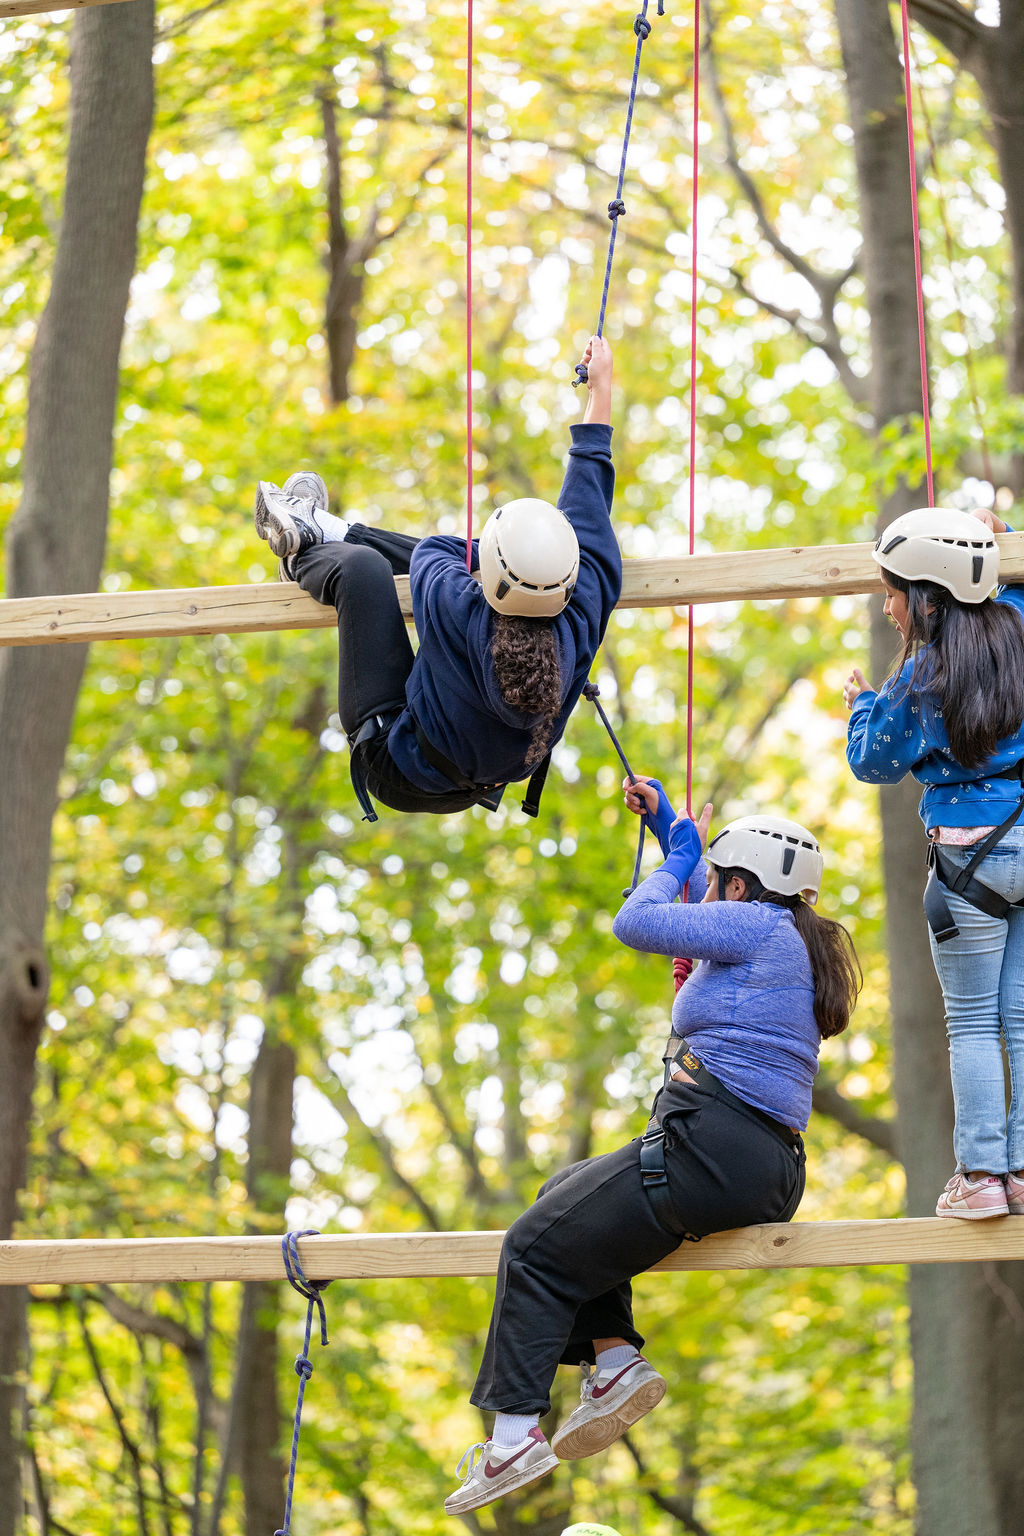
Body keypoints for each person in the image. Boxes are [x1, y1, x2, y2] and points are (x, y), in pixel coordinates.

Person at [443, 785, 860, 1515]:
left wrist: (676, 859)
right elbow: (702, 892)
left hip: (713, 1147)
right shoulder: (786, 934)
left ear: (739, 887)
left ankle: (512, 1436)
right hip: (756, 1162)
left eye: (717, 882)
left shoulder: (756, 928)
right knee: (562, 1196)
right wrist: (671, 824)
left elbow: (635, 920)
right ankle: (613, 1362)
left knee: (534, 1247)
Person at [252, 338, 621, 822]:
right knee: (372, 567)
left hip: (396, 763)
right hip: (467, 766)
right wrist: (602, 388)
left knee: (362, 569)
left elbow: (435, 550)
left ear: (487, 579)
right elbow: (589, 491)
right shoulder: (582, 610)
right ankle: (323, 529)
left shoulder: (458, 607)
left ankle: (305, 550)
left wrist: (489, 550)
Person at [845, 504, 1024, 1220]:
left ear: (926, 594)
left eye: (892, 593)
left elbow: (873, 761)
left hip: (967, 865)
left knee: (974, 1023)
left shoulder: (922, 679)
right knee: (1022, 1017)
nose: (887, 608)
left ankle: (983, 1176)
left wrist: (861, 705)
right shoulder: (1018, 629)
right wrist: (1004, 543)